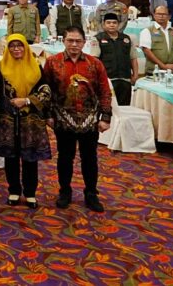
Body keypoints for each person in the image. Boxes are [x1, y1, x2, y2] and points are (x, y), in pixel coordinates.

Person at [43, 26, 112, 212]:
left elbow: (105, 91)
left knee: (90, 158)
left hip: (89, 120)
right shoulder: (52, 62)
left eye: (78, 41)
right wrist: (47, 115)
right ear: (63, 41)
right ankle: (65, 191)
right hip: (63, 119)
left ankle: (91, 193)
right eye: (70, 41)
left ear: (84, 42)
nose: (74, 44)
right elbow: (46, 90)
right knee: (65, 157)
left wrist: (105, 117)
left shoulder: (95, 63)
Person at [0, 34, 51, 209]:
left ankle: (30, 193)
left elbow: (46, 91)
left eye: (20, 45)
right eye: (12, 46)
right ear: (7, 49)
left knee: (30, 156)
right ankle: (14, 190)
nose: (16, 49)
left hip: (31, 120)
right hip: (7, 120)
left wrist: (26, 101)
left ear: (26, 47)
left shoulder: (36, 66)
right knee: (10, 156)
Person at [95, 13, 137, 106]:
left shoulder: (126, 39)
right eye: (108, 23)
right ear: (103, 24)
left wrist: (135, 74)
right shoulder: (98, 38)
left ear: (118, 24)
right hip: (107, 79)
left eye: (114, 23)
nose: (112, 25)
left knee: (124, 107)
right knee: (107, 106)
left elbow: (133, 58)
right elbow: (95, 60)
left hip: (125, 79)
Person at [140, 5, 173, 75]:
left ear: (169, 16)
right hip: (154, 71)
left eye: (164, 14)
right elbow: (147, 51)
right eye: (158, 14)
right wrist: (163, 66)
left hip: (172, 71)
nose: (161, 16)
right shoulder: (147, 31)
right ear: (154, 15)